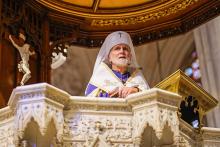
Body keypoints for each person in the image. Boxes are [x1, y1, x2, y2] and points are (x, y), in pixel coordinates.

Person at [85, 31, 149, 98]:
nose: (122, 51)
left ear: (130, 56)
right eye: (117, 48)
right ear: (109, 57)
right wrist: (111, 96)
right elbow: (89, 100)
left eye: (125, 49)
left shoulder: (138, 79)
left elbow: (150, 97)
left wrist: (136, 91)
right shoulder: (98, 78)